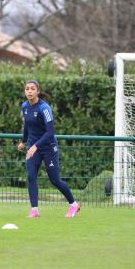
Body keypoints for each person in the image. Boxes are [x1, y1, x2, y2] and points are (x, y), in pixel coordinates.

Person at [17, 80, 80, 218]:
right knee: (31, 176)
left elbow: (50, 132)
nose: (29, 91)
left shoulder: (44, 108)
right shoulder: (24, 106)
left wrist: (35, 145)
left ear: (37, 91)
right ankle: (34, 210)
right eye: (27, 89)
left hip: (48, 147)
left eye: (32, 89)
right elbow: (27, 126)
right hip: (33, 148)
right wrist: (23, 142)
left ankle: (73, 204)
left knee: (54, 180)